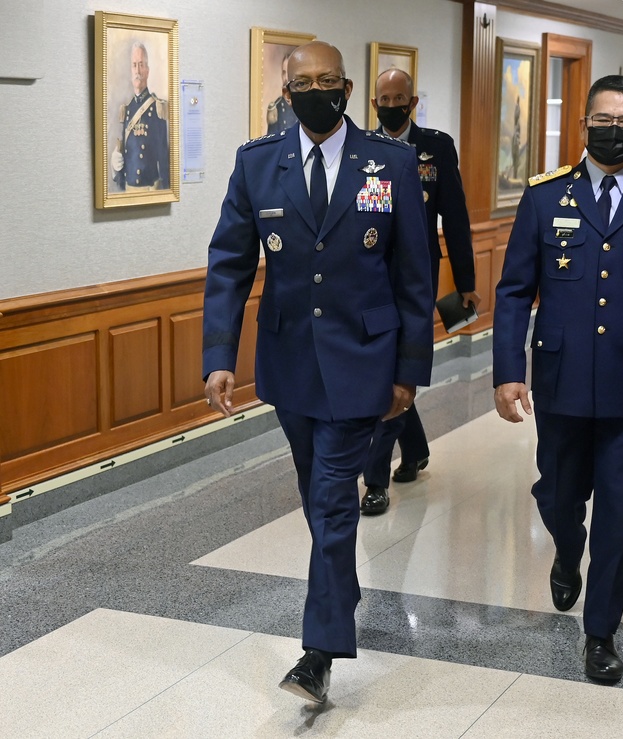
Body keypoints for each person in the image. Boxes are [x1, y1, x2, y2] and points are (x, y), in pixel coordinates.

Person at [202, 41, 433, 704]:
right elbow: (229, 265)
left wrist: (409, 372)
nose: (314, 91)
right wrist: (219, 356)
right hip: (290, 366)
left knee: (333, 500)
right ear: (284, 87)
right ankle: (343, 589)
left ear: (348, 86)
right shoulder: (258, 165)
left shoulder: (388, 162)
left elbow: (415, 277)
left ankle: (318, 652)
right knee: (318, 496)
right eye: (302, 82)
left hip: (364, 361)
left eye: (327, 81)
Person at [492, 75, 623, 683]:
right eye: (602, 120)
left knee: (620, 504)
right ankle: (566, 546)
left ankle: (601, 630)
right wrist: (509, 372)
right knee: (559, 494)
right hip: (561, 381)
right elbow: (512, 293)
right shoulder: (544, 197)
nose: (613, 130)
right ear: (582, 127)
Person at [359, 68, 480, 516]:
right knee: (383, 372)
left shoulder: (436, 146)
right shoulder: (365, 150)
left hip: (418, 279)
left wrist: (464, 284)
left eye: (400, 98)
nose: (392, 106)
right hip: (372, 279)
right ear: (374, 104)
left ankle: (375, 480)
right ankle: (415, 449)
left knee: (397, 369)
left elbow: (457, 217)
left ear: (413, 102)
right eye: (383, 99)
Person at [111, 41, 170, 191]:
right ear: (131, 71)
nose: (137, 70)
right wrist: (114, 165)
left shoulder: (157, 108)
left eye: (141, 65)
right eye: (134, 65)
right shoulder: (127, 109)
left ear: (148, 71)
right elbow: (123, 151)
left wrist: (165, 190)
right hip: (129, 189)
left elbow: (164, 158)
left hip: (150, 189)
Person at [266, 53, 298, 135]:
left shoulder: (305, 104)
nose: (286, 78)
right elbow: (271, 139)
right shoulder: (278, 106)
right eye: (284, 73)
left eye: (289, 72)